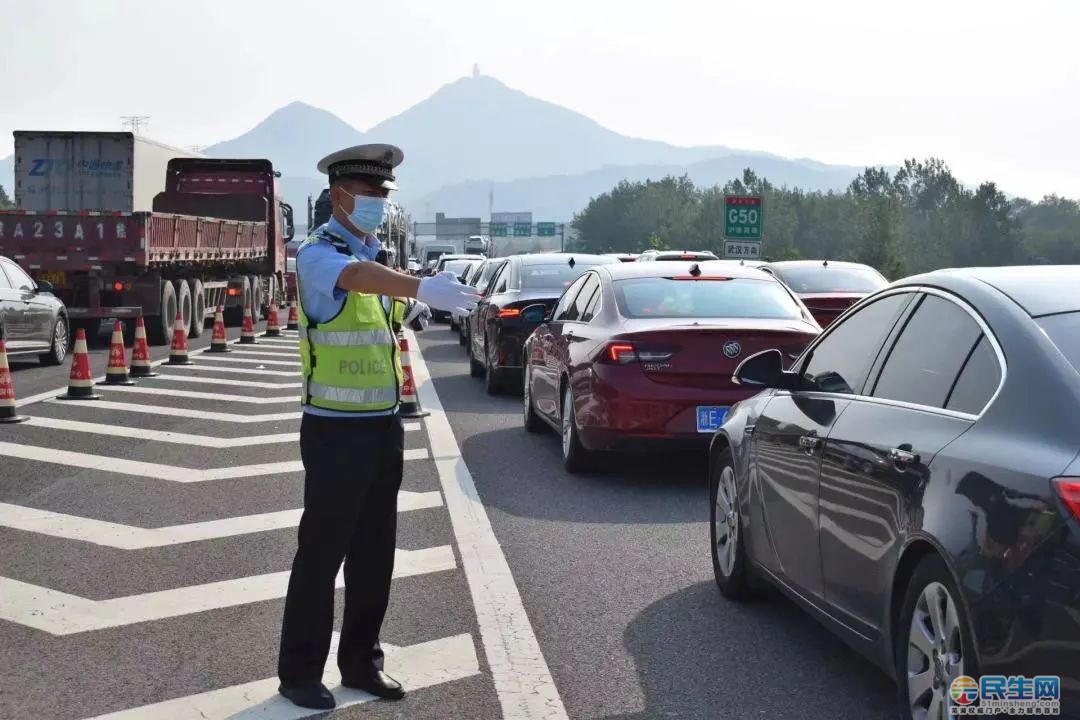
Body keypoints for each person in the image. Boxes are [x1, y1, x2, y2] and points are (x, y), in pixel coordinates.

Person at [277, 143, 479, 711]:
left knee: (374, 552)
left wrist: (414, 305)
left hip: (382, 426)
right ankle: (298, 672)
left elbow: (379, 307)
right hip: (333, 428)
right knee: (322, 552)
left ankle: (362, 662)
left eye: (385, 196)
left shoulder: (378, 254)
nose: (379, 205)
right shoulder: (317, 253)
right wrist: (419, 288)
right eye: (370, 195)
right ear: (340, 196)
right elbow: (358, 279)